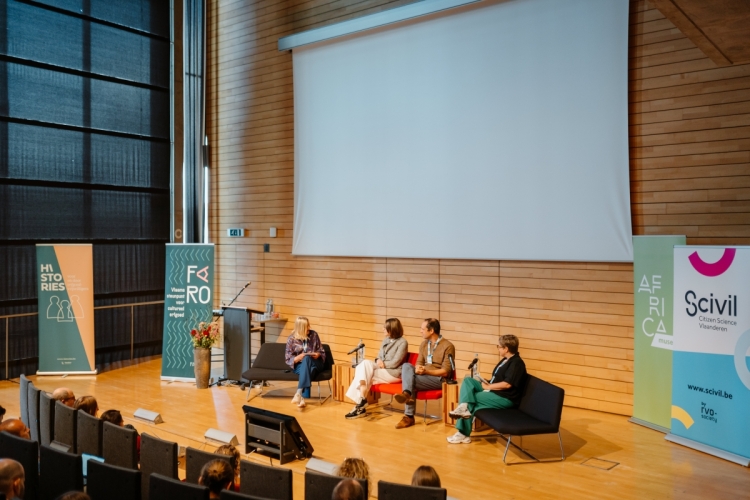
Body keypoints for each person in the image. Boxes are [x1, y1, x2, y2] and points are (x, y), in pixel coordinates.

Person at [447, 334, 527, 444]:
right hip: (493, 390)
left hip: (505, 398)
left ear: (506, 348)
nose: (498, 349)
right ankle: (463, 409)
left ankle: (463, 433)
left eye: (499, 346)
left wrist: (489, 386)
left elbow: (507, 384)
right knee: (468, 380)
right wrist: (487, 381)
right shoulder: (505, 360)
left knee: (473, 399)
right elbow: (500, 378)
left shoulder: (517, 363)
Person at [394, 318, 455, 429]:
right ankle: (407, 393)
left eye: (422, 329)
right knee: (406, 366)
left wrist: (426, 371)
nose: (420, 331)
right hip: (423, 376)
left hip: (438, 379)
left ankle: (408, 416)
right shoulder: (423, 344)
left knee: (410, 380)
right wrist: (418, 369)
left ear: (431, 331)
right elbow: (419, 363)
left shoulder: (448, 346)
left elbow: (446, 372)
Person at [344, 318, 408, 419]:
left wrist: (384, 364)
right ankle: (361, 402)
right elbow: (379, 355)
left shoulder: (402, 342)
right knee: (364, 364)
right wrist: (378, 360)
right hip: (381, 367)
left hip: (393, 372)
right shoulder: (386, 340)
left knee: (366, 374)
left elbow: (396, 362)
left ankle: (360, 405)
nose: (383, 328)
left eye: (385, 327)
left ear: (392, 329)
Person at [284, 316, 326, 408]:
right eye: (307, 326)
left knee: (307, 359)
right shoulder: (291, 339)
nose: (309, 328)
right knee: (309, 368)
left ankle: (299, 393)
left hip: (316, 362)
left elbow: (321, 351)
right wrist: (298, 358)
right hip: (300, 365)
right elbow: (288, 359)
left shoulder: (314, 335)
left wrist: (318, 354)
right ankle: (301, 397)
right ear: (301, 328)